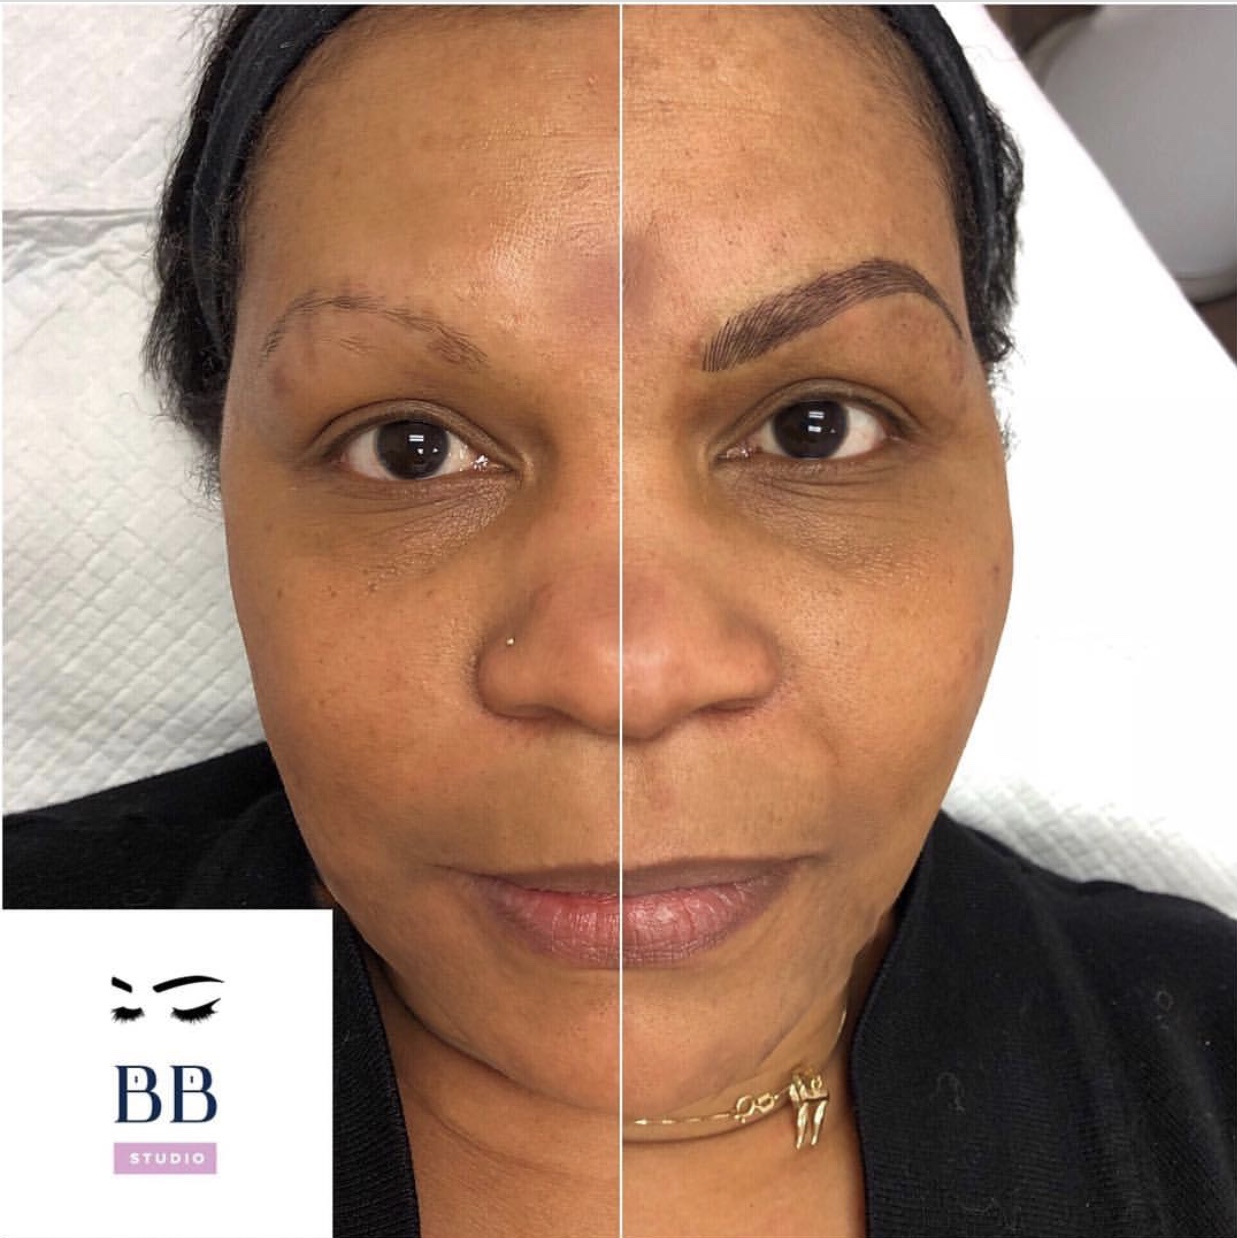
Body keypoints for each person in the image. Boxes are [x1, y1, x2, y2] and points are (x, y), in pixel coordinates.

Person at [5, 6, 1233, 1237]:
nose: (627, 674)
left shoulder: (1202, 1066)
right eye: (410, 446)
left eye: (814, 426)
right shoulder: (51, 993)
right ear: (225, 484)